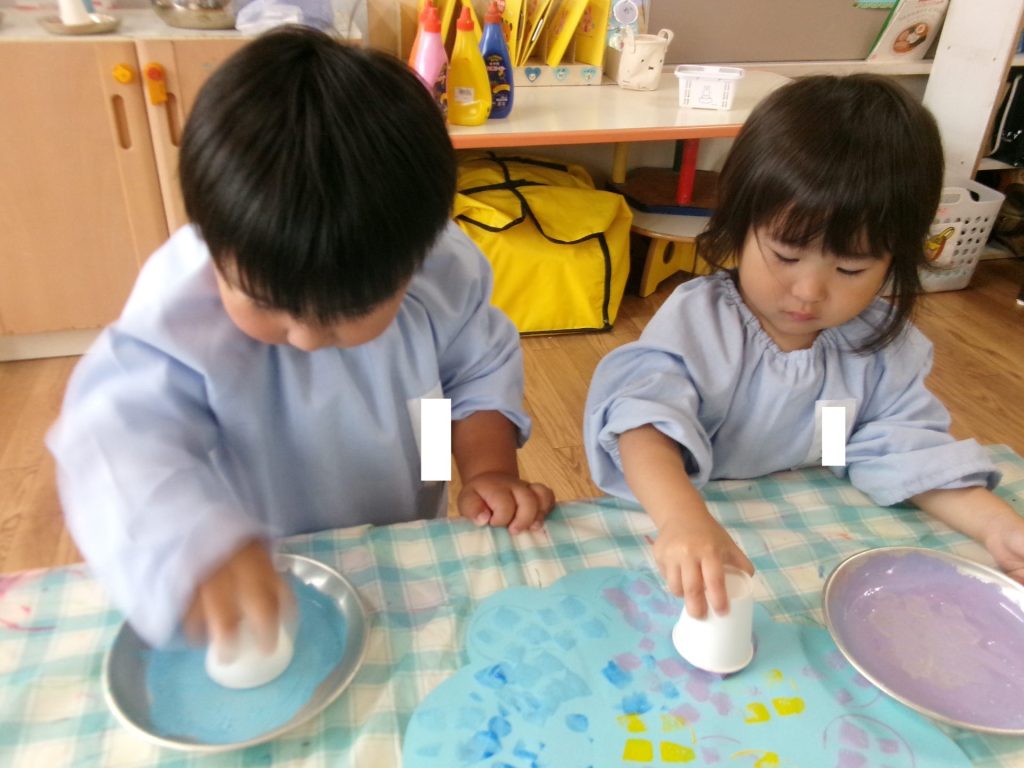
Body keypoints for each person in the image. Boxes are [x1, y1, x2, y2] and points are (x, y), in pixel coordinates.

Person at [47, 26, 553, 652]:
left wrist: (488, 469)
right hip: (259, 550)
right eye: (265, 305)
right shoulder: (180, 312)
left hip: (406, 504)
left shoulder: (439, 269)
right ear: (213, 243)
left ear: (414, 263)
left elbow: (475, 368)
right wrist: (192, 542)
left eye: (350, 312)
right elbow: (115, 433)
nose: (308, 339)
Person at [584, 74, 1024, 619]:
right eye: (787, 256)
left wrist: (999, 527)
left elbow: (897, 452)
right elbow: (641, 422)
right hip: (690, 531)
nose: (810, 291)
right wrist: (682, 518)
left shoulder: (873, 349)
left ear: (897, 259)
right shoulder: (702, 323)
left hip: (808, 532)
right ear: (740, 225)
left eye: (851, 268)